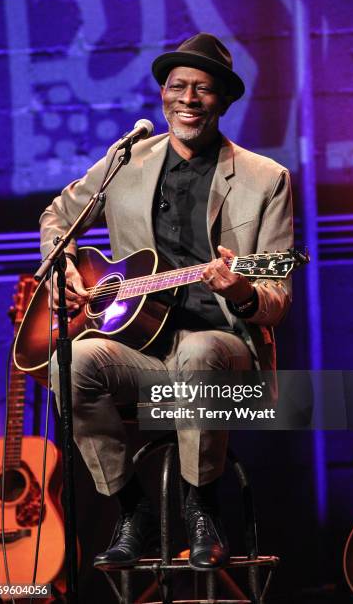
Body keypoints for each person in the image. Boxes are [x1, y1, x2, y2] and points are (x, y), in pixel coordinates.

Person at [40, 33, 293, 571]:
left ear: (222, 100)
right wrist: (61, 263)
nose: (188, 98)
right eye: (177, 86)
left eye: (203, 89)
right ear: (162, 95)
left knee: (199, 351)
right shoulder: (126, 160)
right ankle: (131, 511)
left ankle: (201, 506)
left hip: (225, 353)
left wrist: (242, 289)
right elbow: (58, 218)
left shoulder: (265, 179)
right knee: (71, 361)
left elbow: (275, 301)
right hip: (140, 348)